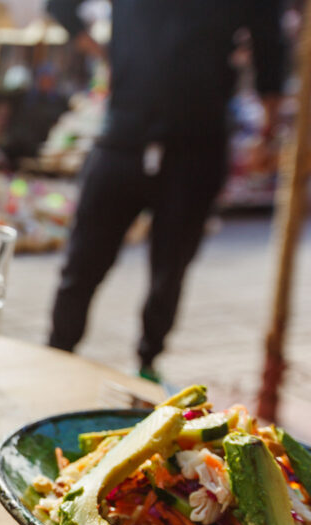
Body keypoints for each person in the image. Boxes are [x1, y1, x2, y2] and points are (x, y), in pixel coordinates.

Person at [46, 0, 285, 381]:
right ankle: (57, 355)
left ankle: (148, 363)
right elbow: (58, 5)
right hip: (123, 135)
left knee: (170, 271)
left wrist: (268, 131)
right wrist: (104, 51)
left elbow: (270, 44)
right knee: (82, 263)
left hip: (196, 145)